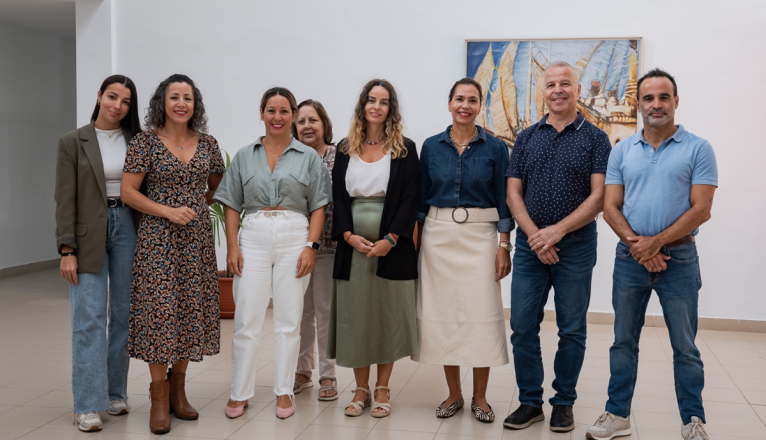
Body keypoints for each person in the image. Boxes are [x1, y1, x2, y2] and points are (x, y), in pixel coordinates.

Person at [586, 68, 717, 440]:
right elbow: (610, 207)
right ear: (639, 104)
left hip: (680, 260)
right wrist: (640, 247)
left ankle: (693, 421)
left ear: (675, 101)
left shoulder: (699, 148)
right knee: (623, 341)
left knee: (685, 346)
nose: (656, 104)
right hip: (630, 260)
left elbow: (702, 209)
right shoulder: (622, 150)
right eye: (648, 98)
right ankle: (617, 416)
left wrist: (654, 243)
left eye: (663, 97)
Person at [504, 61, 611, 432]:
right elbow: (513, 192)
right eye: (551, 84)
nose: (558, 90)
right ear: (544, 92)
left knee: (572, 329)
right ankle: (530, 402)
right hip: (529, 247)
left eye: (566, 83)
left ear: (578, 90)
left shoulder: (596, 139)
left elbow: (599, 197)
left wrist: (556, 232)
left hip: (576, 247)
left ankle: (563, 402)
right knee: (521, 326)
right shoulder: (526, 137)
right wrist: (537, 236)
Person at [214, 87, 331, 420]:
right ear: (262, 114)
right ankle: (239, 393)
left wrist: (310, 246)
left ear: (292, 115)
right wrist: (232, 246)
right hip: (253, 236)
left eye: (284, 111)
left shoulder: (308, 157)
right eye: (271, 110)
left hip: (295, 236)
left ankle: (284, 391)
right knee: (246, 319)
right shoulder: (244, 155)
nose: (277, 117)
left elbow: (319, 206)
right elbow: (232, 204)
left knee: (289, 320)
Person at [121, 74, 225, 434]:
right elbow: (129, 192)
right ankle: (159, 399)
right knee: (160, 314)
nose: (181, 103)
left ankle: (179, 391)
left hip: (196, 242)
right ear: (162, 103)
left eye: (188, 98)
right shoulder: (145, 142)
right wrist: (168, 211)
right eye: (174, 97)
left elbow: (218, 185)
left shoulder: (208, 144)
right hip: (157, 240)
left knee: (189, 311)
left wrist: (196, 206)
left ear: (195, 104)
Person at [413, 77, 512, 423]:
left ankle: (480, 397)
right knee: (444, 317)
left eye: (472, 100)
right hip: (437, 237)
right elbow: (421, 199)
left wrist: (504, 245)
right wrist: (415, 243)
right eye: (459, 99)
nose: (465, 105)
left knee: (481, 316)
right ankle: (454, 394)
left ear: (480, 105)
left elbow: (503, 201)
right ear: (449, 103)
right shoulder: (431, 146)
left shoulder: (496, 148)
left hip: (481, 237)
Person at [326, 79, 419, 418]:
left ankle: (382, 387)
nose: (376, 106)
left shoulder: (405, 148)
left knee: (386, 318)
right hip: (353, 248)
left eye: (383, 101)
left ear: (391, 109)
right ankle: (360, 388)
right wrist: (347, 235)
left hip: (391, 247)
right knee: (356, 319)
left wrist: (391, 239)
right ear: (362, 105)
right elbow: (338, 197)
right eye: (371, 100)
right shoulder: (345, 148)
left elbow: (411, 197)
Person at [55, 75, 142, 432]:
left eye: (125, 101)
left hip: (129, 228)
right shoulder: (72, 141)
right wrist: (66, 249)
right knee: (89, 318)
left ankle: (115, 392)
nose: (117, 106)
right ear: (99, 96)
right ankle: (88, 404)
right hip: (87, 234)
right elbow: (65, 198)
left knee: (123, 315)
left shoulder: (138, 141)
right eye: (112, 96)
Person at [291, 99, 339, 401]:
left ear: (324, 124)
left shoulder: (338, 156)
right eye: (301, 121)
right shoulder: (291, 157)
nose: (307, 126)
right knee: (300, 313)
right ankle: (302, 370)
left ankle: (327, 374)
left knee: (325, 312)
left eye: (313, 120)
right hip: (294, 247)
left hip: (328, 246)